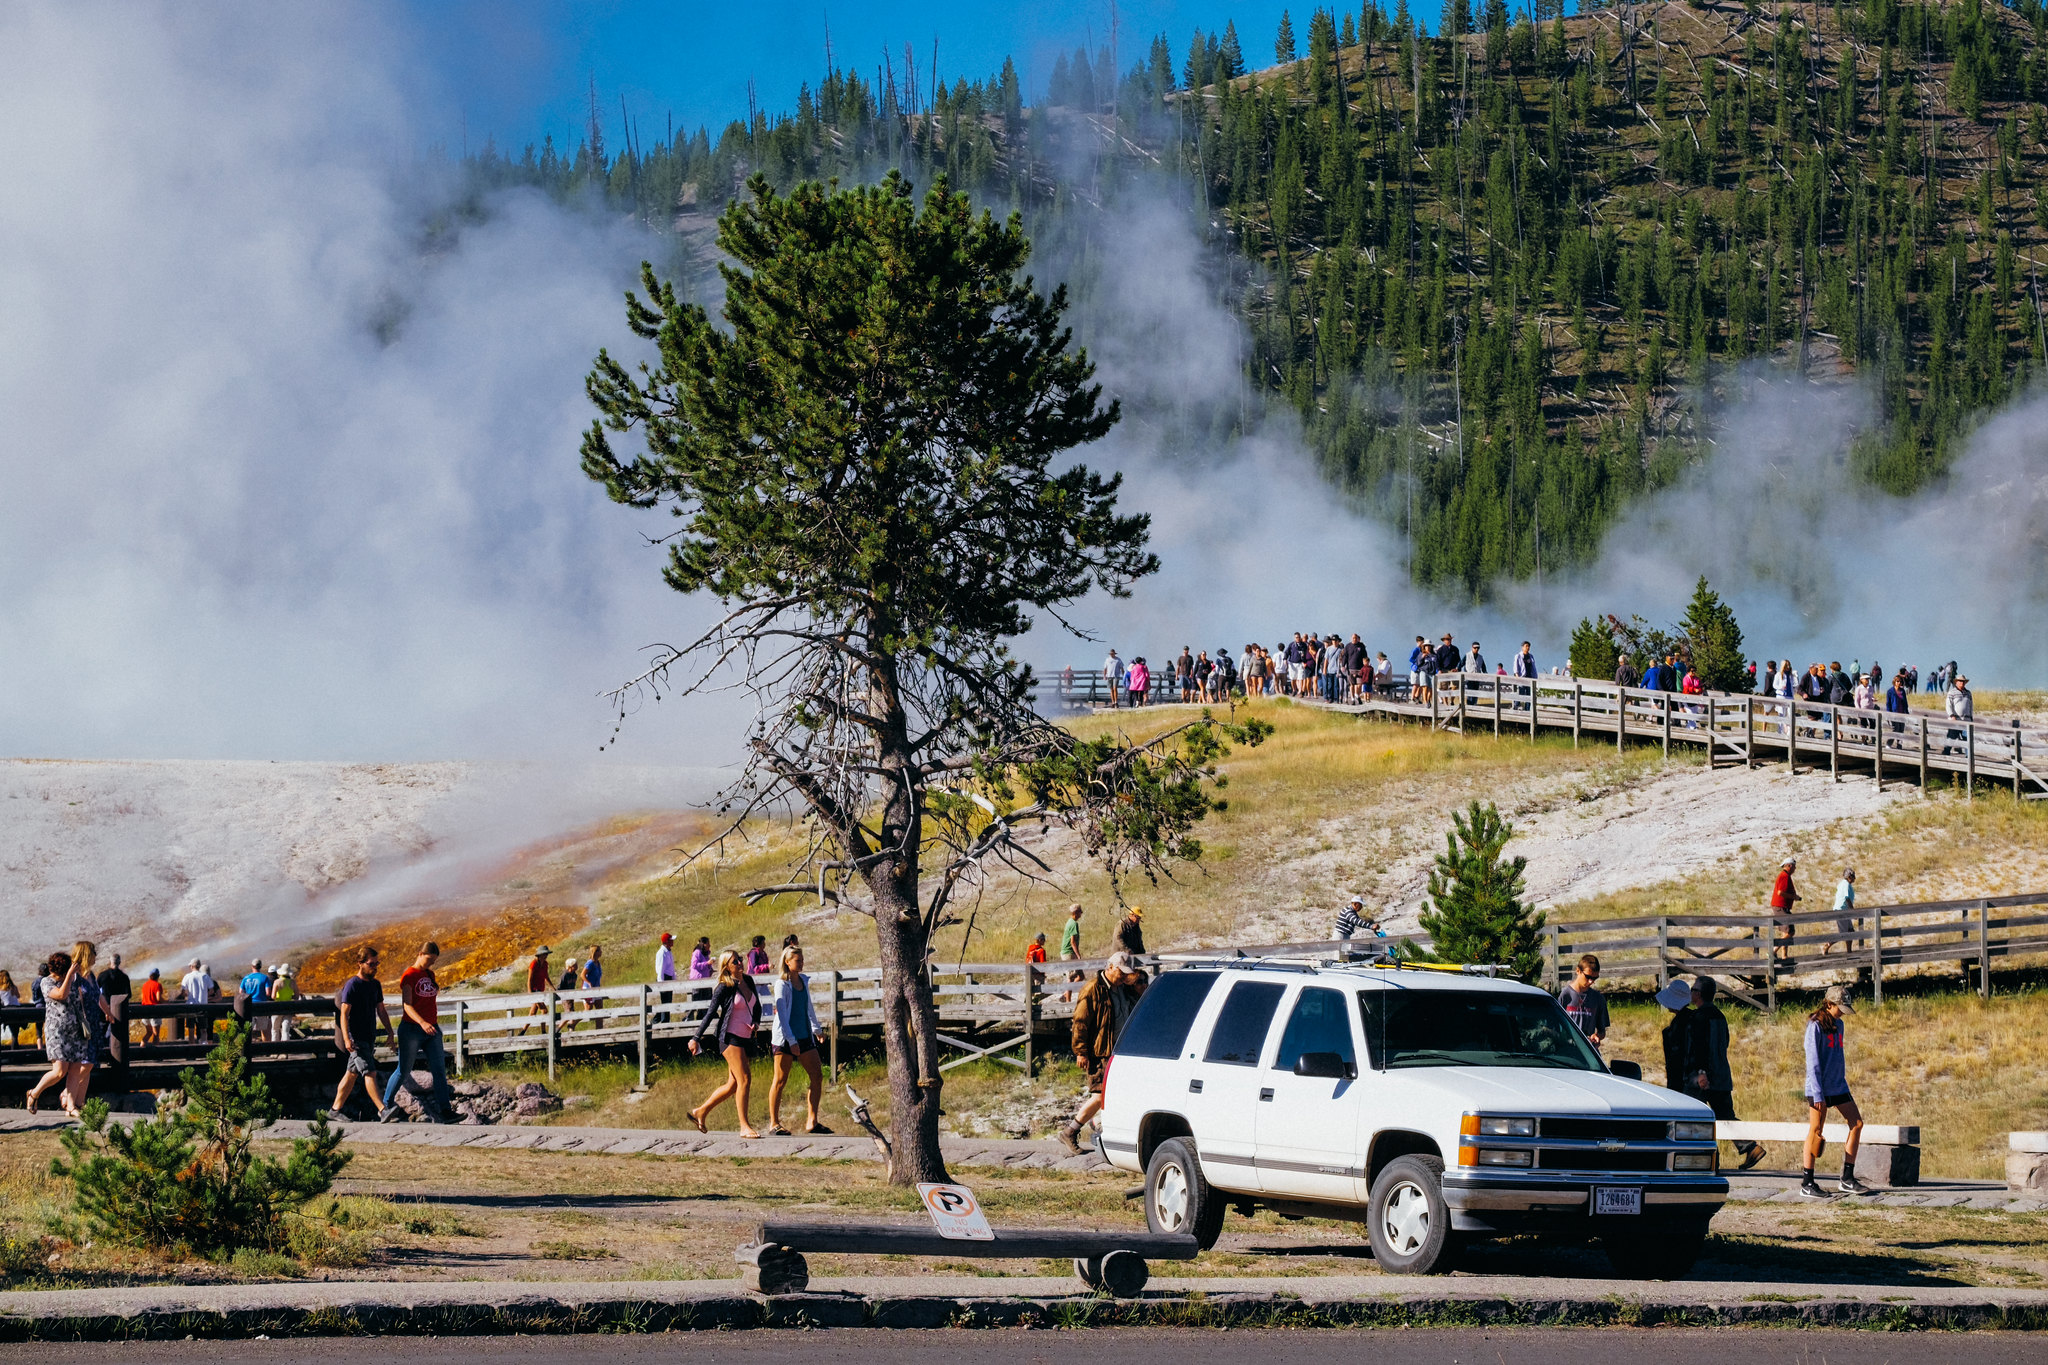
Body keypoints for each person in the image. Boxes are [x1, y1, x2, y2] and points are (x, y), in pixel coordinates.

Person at [1057, 951, 1148, 1155]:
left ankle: (1098, 1124)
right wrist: (1081, 1052)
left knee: (1115, 1094)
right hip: (1101, 1052)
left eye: (1126, 973)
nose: (1123, 976)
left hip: (1119, 1051)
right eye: (1120, 972)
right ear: (1110, 968)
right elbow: (1080, 1022)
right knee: (1100, 1095)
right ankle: (1070, 1131)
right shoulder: (1092, 990)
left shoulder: (1122, 988)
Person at [1681, 977, 1766, 1170]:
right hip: (1722, 1073)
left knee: (1699, 1119)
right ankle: (1751, 1147)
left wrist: (1702, 1072)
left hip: (1705, 1078)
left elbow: (1700, 1048)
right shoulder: (1720, 1015)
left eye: (1693, 989)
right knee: (1726, 1116)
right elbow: (1725, 1042)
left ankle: (1712, 1161)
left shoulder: (1699, 1017)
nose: (1691, 992)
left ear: (1699, 994)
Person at [1801, 985, 1871, 1197]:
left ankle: (1847, 1178)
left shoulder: (1839, 1025)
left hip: (1838, 1085)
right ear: (1828, 1004)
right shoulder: (1814, 1026)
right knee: (1816, 1131)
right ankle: (1807, 1182)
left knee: (1857, 1123)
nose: (1842, 1012)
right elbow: (1812, 1062)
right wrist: (1818, 1093)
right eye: (1839, 1008)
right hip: (1819, 1087)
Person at [688, 949, 762, 1138]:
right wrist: (696, 1037)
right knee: (745, 1079)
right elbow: (711, 1012)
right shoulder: (724, 986)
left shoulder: (749, 981)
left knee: (732, 1085)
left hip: (745, 1037)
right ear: (726, 967)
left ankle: (701, 1111)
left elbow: (757, 1006)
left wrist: (756, 1022)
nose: (739, 963)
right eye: (734, 962)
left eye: (739, 959)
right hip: (729, 1038)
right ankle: (744, 1126)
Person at [28, 946, 108, 1117]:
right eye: (65, 972)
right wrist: (69, 977)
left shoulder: (73, 979)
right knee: (59, 1071)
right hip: (57, 1031)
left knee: (75, 1069)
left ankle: (71, 1107)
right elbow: (60, 995)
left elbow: (88, 995)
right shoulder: (47, 982)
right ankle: (34, 1093)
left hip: (76, 1030)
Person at [381, 942, 453, 1122]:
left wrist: (430, 1024)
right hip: (412, 1028)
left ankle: (446, 1111)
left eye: (434, 961)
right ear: (420, 954)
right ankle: (385, 1106)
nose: (431, 964)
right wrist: (422, 1022)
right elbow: (407, 1004)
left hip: (432, 1029)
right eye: (429, 959)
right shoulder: (409, 975)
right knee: (404, 1069)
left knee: (439, 1070)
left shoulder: (430, 974)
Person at [766, 945, 829, 1136]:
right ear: (787, 961)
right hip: (785, 1038)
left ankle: (812, 1120)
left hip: (804, 1035)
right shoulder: (781, 984)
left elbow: (807, 1006)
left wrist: (816, 1029)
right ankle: (774, 1123)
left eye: (802, 959)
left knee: (817, 1075)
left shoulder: (803, 980)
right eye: (797, 960)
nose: (801, 963)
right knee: (780, 1080)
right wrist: (791, 1040)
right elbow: (783, 1015)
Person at [333, 945, 397, 1122]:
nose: (375, 967)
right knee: (370, 1072)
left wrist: (390, 1032)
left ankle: (334, 1110)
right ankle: (383, 1110)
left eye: (377, 963)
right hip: (356, 1039)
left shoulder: (375, 985)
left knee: (351, 1074)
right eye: (371, 964)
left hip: (369, 1037)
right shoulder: (352, 985)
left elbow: (381, 1010)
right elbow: (344, 1014)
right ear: (360, 963)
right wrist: (347, 1038)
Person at [1557, 954, 1609, 1050]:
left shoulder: (1598, 998)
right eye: (1588, 977)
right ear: (1578, 971)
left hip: (1588, 1052)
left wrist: (1597, 1036)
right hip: (1567, 1051)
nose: (1591, 982)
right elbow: (1556, 1027)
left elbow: (1602, 1031)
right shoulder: (1565, 995)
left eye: (1594, 978)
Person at [1770, 857, 1800, 966]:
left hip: (1782, 906)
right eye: (1794, 866)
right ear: (1789, 866)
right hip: (1780, 906)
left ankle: (1784, 956)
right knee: (1790, 931)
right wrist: (1793, 896)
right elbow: (1780, 892)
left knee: (1785, 931)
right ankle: (1773, 950)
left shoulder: (1785, 876)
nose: (1795, 869)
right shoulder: (1784, 876)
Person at [517, 946, 552, 1035]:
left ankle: (522, 1032)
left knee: (532, 1012)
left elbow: (546, 977)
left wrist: (552, 987)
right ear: (539, 955)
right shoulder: (534, 964)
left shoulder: (545, 964)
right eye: (544, 954)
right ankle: (543, 1032)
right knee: (544, 1010)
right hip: (535, 990)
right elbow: (529, 979)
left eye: (546, 954)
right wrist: (530, 992)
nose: (546, 956)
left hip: (540, 989)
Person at [1828, 867, 1858, 957]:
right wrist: (1853, 911)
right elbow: (1847, 898)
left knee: (1850, 931)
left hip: (1844, 911)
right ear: (1849, 876)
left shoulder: (1845, 884)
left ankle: (1849, 951)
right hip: (1841, 911)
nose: (1854, 878)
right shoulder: (1845, 884)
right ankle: (1827, 945)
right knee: (1843, 933)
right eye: (1853, 876)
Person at [134, 967, 163, 1046]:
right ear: (158, 976)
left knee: (149, 1032)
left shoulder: (145, 985)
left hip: (145, 1010)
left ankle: (141, 1048)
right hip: (154, 1011)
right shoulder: (157, 985)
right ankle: (156, 1054)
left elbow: (143, 997)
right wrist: (166, 1002)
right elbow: (158, 998)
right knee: (156, 1034)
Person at [271, 963, 299, 1042]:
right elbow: (296, 996)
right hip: (288, 1007)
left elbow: (273, 996)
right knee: (285, 1030)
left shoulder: (277, 982)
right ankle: (285, 1051)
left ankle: (274, 1050)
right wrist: (290, 997)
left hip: (278, 1007)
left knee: (275, 1029)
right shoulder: (293, 982)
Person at [654, 932, 678, 1024]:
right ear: (667, 941)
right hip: (664, 978)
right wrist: (661, 983)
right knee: (665, 1002)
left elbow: (671, 966)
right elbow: (660, 969)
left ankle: (661, 1020)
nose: (673, 942)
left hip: (669, 978)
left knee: (668, 1002)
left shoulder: (668, 951)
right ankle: (663, 1022)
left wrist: (673, 978)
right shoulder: (662, 953)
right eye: (671, 940)